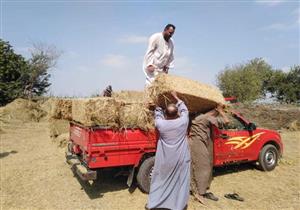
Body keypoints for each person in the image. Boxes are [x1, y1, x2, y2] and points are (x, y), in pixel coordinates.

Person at [146, 91, 190, 210]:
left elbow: (158, 113)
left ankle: (155, 203)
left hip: (165, 160)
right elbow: (185, 110)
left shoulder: (161, 124)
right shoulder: (183, 122)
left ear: (166, 114)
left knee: (160, 180)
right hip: (181, 159)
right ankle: (178, 205)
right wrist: (176, 97)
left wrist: (156, 104)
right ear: (177, 114)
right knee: (181, 182)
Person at [189, 104, 229, 204]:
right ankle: (200, 193)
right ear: (215, 110)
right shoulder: (208, 118)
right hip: (198, 144)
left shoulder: (196, 115)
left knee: (194, 166)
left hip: (192, 143)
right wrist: (221, 111)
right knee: (204, 167)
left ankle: (192, 188)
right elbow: (227, 121)